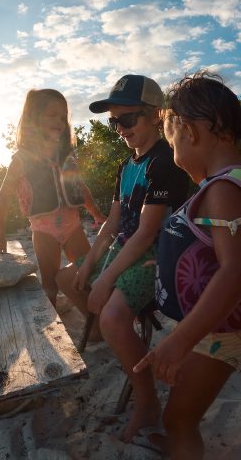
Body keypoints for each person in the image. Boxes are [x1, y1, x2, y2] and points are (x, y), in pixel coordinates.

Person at [55, 74, 189, 442]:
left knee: (114, 316)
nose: (120, 129)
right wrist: (90, 262)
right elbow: (112, 224)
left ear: (155, 116)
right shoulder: (126, 165)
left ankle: (147, 404)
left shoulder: (165, 162)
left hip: (155, 258)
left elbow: (147, 233)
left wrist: (105, 278)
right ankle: (102, 327)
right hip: (124, 249)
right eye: (114, 121)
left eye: (127, 120)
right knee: (67, 277)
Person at [134, 71, 241, 459]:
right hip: (212, 329)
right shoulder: (223, 184)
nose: (172, 147)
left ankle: (181, 443)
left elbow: (234, 271)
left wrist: (179, 342)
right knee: (180, 414)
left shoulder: (224, 189)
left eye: (171, 135)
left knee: (180, 419)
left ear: (190, 132)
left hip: (218, 335)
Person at [0, 88, 106, 308]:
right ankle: (53, 320)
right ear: (34, 119)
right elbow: (3, 197)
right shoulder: (22, 159)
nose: (59, 121)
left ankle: (93, 316)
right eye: (52, 115)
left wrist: (97, 214)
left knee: (88, 271)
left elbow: (79, 188)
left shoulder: (66, 156)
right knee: (50, 282)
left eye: (63, 117)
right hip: (44, 230)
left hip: (73, 225)